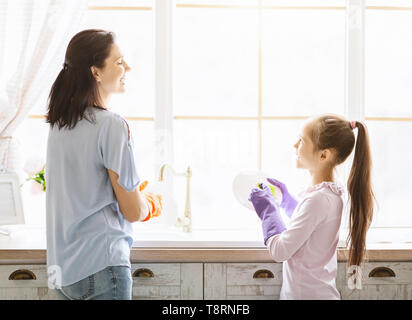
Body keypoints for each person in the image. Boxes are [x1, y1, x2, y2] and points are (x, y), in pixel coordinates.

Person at [45, 29, 161, 300]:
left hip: (62, 271)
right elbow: (132, 210)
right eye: (119, 62)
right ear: (95, 72)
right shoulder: (111, 125)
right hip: (101, 265)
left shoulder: (59, 124)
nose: (127, 67)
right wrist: (151, 203)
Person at [249, 114, 374, 300]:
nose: (294, 145)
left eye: (301, 140)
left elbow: (280, 250)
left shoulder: (318, 199)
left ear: (324, 155)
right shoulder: (329, 194)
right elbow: (309, 228)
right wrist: (286, 201)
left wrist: (268, 211)